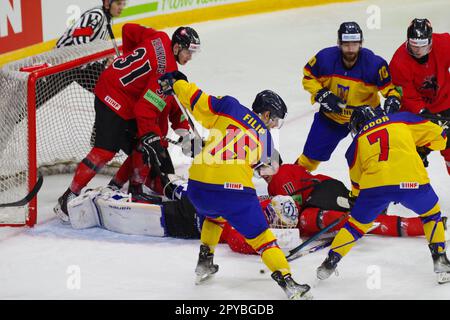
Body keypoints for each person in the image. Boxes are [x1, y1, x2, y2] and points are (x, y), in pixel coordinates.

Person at [157, 71, 312, 300]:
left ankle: (205, 260)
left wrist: (177, 83)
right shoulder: (267, 140)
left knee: (214, 216)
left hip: (198, 187)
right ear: (266, 113)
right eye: (275, 119)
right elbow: (268, 170)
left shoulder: (229, 107)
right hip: (233, 192)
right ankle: (288, 283)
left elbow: (193, 96)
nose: (274, 125)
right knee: (262, 239)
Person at [53, 23, 201, 223]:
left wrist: (184, 134)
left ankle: (130, 188)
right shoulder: (166, 73)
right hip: (112, 96)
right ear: (176, 48)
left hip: (118, 86)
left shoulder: (160, 36)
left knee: (142, 145)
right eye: (187, 52)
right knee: (106, 151)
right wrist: (153, 136)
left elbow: (129, 30)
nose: (190, 58)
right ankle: (67, 197)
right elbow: (145, 110)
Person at [315, 106, 450, 284]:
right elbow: (441, 138)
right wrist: (421, 148)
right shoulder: (402, 118)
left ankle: (330, 261)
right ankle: (440, 259)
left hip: (374, 188)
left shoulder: (354, 145)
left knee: (354, 227)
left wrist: (357, 200)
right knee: (431, 215)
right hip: (411, 181)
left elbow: (357, 184)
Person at [221, 164, 437, 255]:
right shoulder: (283, 174)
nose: (262, 175)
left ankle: (414, 225)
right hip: (331, 192)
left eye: (263, 169)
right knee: (357, 217)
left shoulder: (279, 178)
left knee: (330, 220)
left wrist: (287, 233)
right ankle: (417, 224)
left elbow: (291, 212)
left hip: (323, 198)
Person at [297, 21, 401, 172]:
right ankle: (291, 183)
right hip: (331, 118)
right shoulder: (325, 58)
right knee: (309, 160)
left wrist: (393, 99)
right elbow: (308, 78)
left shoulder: (374, 64)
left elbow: (391, 90)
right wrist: (322, 94)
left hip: (367, 120)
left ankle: (378, 189)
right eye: (346, 44)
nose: (351, 48)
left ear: (361, 43)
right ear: (339, 43)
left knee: (377, 160)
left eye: (355, 43)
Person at [389, 18, 450, 174]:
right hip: (414, 111)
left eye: (423, 46)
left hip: (445, 102)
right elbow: (407, 95)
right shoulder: (398, 62)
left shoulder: (443, 43)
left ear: (430, 41)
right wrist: (423, 113)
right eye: (414, 46)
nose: (418, 51)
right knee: (409, 154)